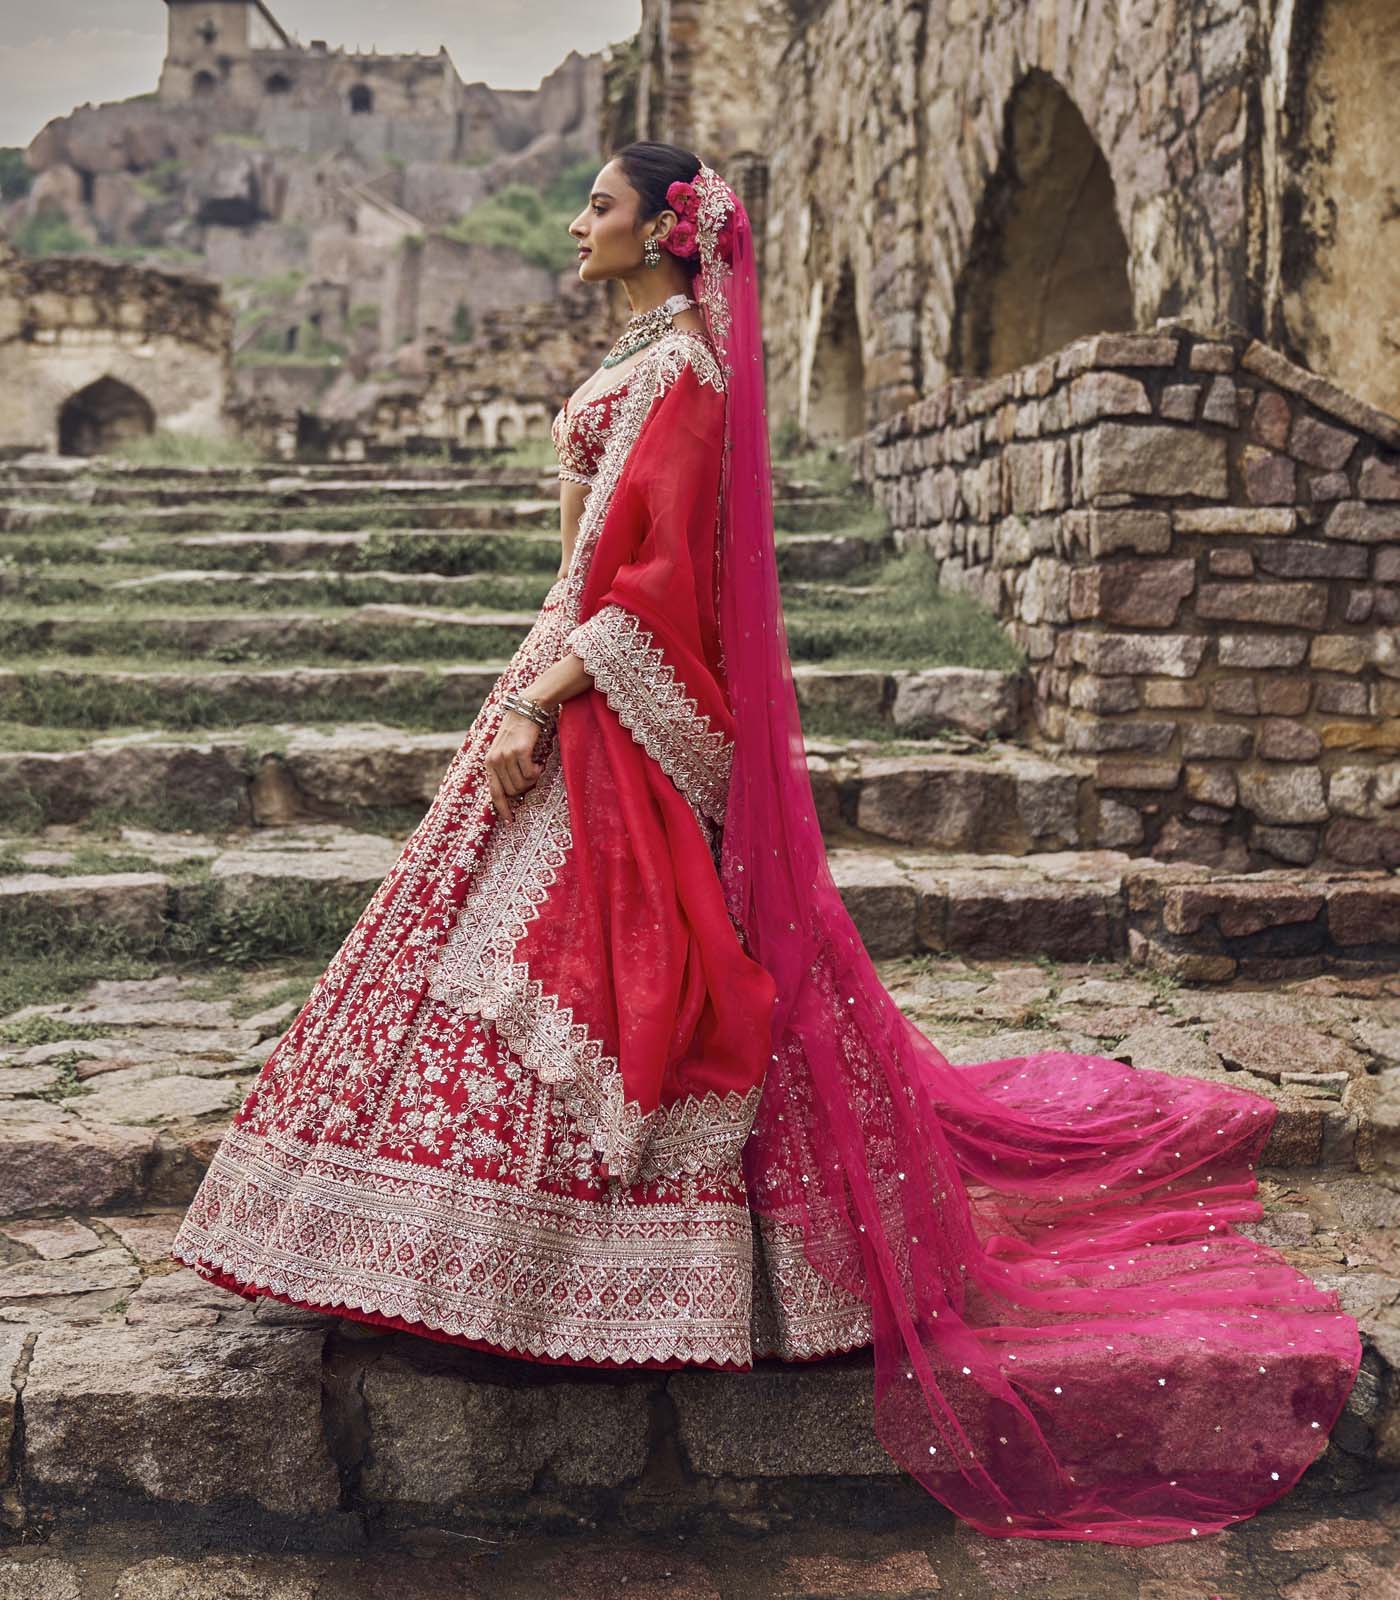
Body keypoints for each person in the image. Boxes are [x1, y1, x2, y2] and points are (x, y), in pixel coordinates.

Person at [171, 142, 1361, 1545]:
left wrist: (544, 704)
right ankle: (469, 1261)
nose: (576, 222)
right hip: (571, 671)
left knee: (595, 967)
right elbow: (591, 557)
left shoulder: (685, 375)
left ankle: (579, 1279)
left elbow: (662, 582)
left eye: (601, 205)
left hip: (604, 694)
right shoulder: (656, 352)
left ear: (670, 233)